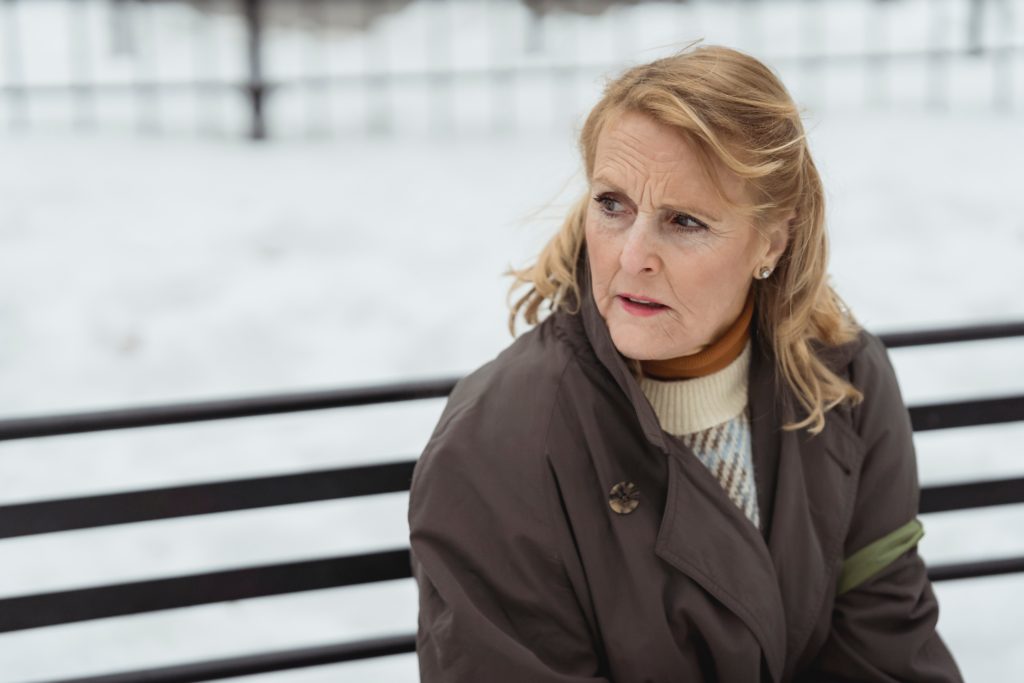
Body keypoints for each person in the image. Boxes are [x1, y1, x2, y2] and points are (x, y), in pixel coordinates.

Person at [407, 42, 964, 682]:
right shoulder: (497, 442)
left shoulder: (841, 381)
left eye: (685, 221)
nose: (631, 256)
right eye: (611, 204)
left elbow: (885, 652)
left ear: (772, 241)